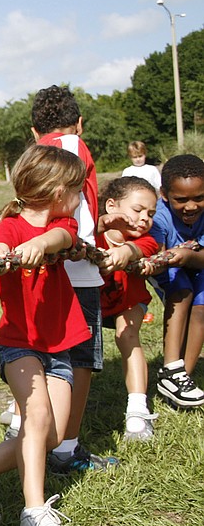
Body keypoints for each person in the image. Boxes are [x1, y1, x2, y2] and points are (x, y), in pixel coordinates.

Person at [0, 144, 88, 526]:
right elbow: (0, 246)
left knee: (50, 434)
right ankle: (35, 513)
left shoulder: (62, 227)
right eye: (77, 190)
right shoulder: (10, 225)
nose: (80, 199)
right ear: (59, 191)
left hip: (59, 346)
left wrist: (43, 244)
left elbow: (61, 236)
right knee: (35, 415)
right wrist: (1, 254)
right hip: (19, 344)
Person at [24, 84, 118, 474]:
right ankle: (66, 450)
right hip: (75, 273)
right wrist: (83, 244)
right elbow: (74, 215)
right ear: (79, 122)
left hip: (44, 272)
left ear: (33, 131)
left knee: (46, 357)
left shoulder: (33, 153)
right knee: (79, 361)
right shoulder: (70, 143)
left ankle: (26, 424)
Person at [96, 176, 160, 440]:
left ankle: (137, 409)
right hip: (94, 303)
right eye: (137, 210)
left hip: (129, 300)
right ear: (111, 206)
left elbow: (141, 248)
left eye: (151, 213)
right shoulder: (92, 235)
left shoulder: (147, 240)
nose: (144, 218)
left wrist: (126, 251)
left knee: (127, 335)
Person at [149, 154, 204, 409]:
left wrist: (189, 255)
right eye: (180, 200)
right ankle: (172, 367)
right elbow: (155, 251)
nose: (190, 206)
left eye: (199, 198)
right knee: (182, 290)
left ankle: (182, 378)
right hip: (165, 267)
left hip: (195, 261)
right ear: (164, 194)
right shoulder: (158, 217)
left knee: (201, 306)